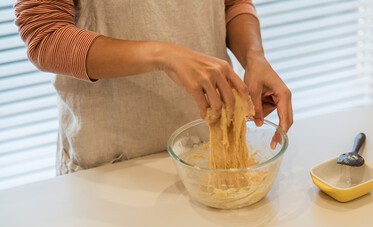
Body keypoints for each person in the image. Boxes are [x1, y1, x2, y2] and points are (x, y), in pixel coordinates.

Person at [14, 0, 293, 175]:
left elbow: (232, 4)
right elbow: (46, 35)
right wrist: (163, 55)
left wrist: (253, 56)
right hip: (112, 166)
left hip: (205, 147)